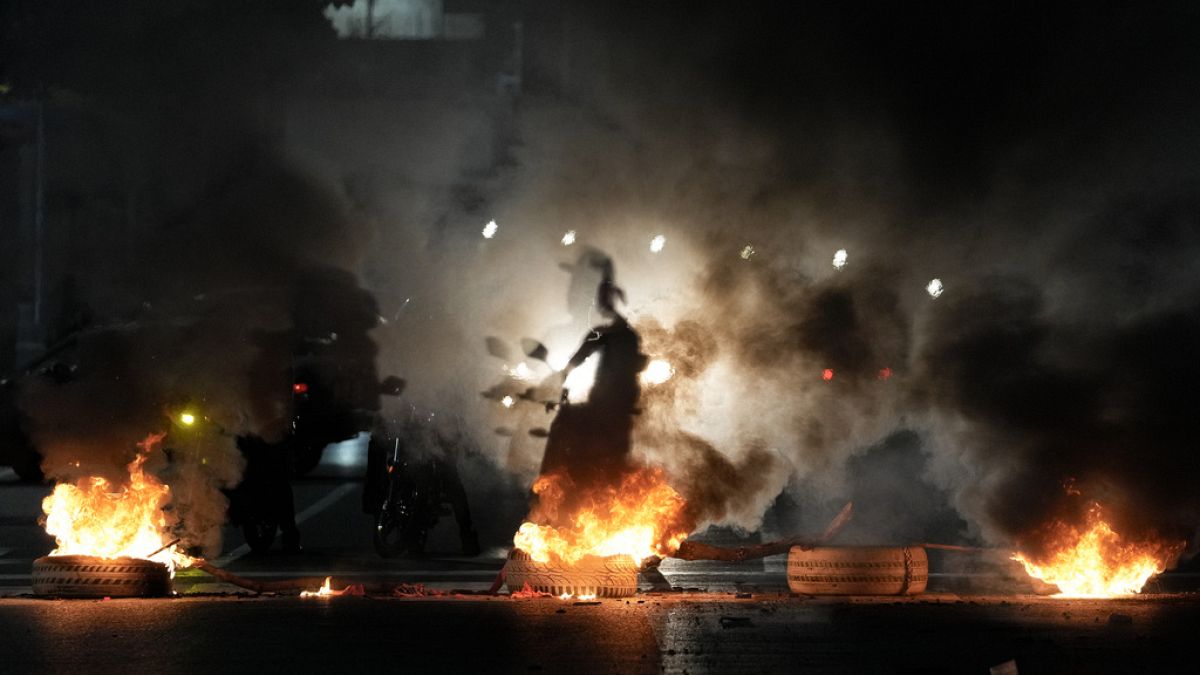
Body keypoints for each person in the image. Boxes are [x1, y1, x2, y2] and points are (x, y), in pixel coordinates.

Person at [540, 269, 648, 489]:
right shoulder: (625, 335)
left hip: (608, 405)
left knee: (563, 427)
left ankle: (549, 490)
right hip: (619, 405)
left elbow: (580, 357)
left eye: (603, 300)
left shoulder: (610, 334)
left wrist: (561, 379)